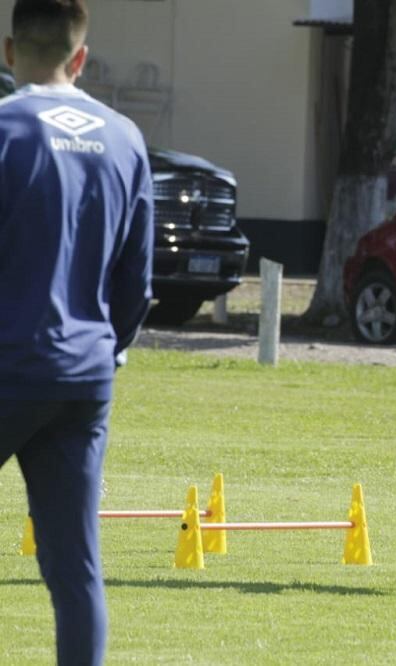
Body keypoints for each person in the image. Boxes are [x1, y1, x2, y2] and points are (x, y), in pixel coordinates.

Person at [0, 1, 153, 662]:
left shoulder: (5, 129)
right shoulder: (124, 137)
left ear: (9, 52)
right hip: (84, 374)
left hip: (7, 361)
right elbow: (136, 282)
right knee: (74, 569)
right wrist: (106, 348)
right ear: (81, 56)